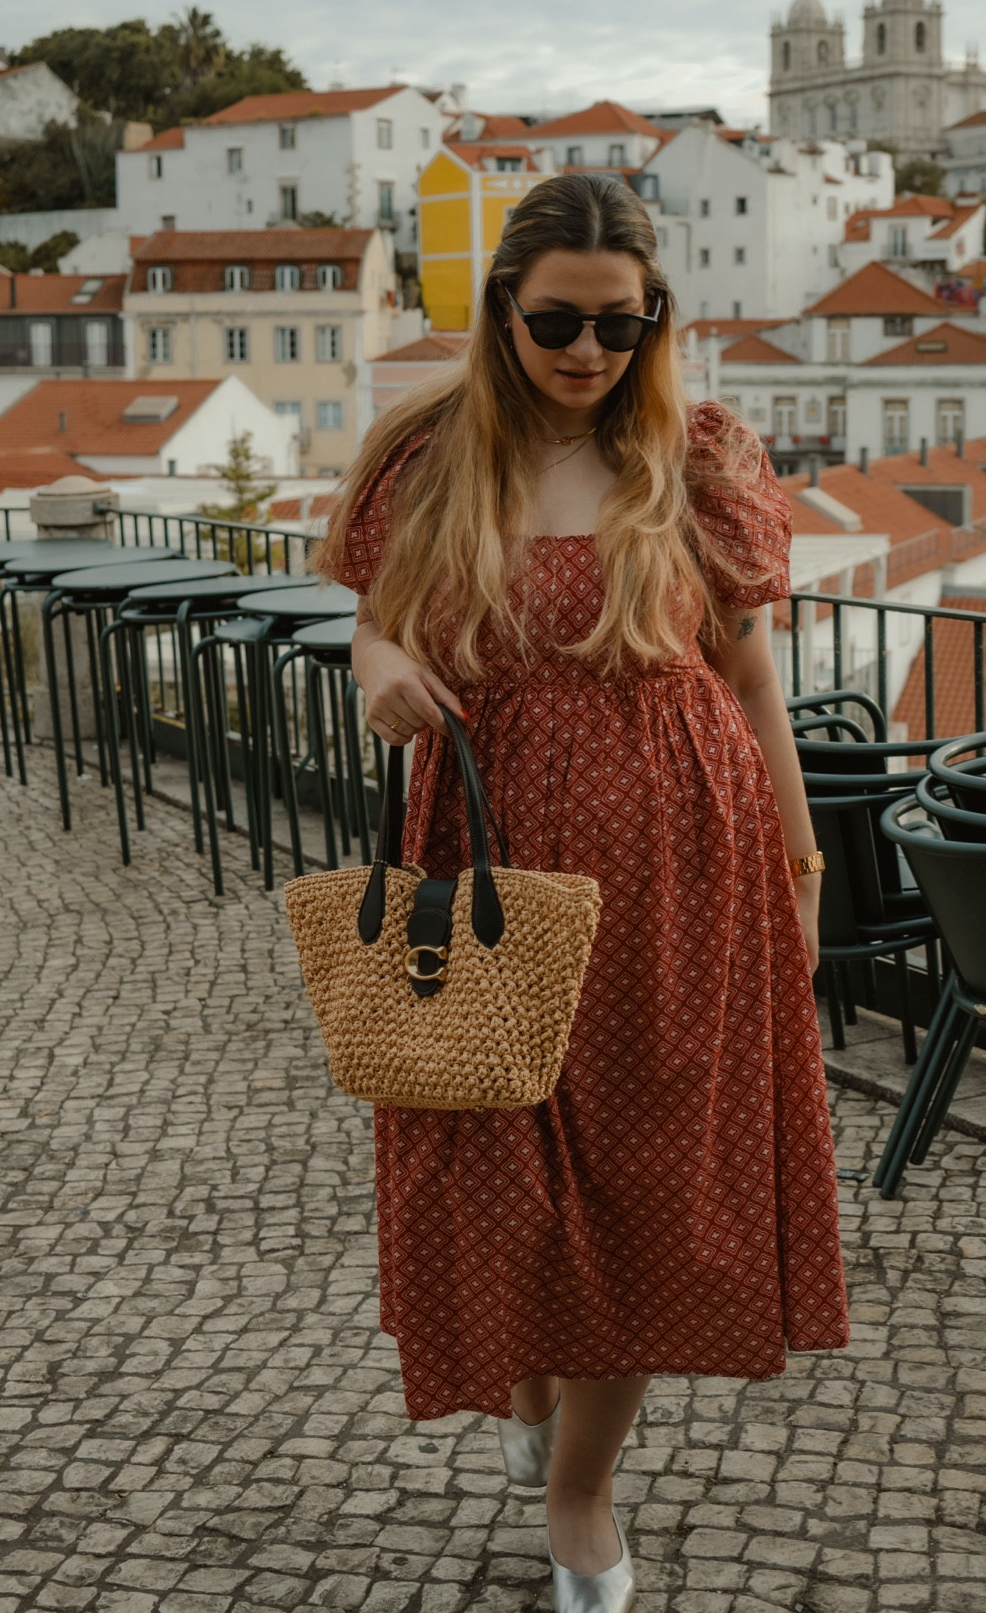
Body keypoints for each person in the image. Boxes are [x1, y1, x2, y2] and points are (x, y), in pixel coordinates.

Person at [320, 172, 848, 1612]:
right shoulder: (425, 457)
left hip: (682, 871)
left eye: (623, 324)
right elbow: (371, 632)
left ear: (652, 322)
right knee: (494, 1177)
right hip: (483, 860)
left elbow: (748, 679)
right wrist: (381, 675)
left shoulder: (698, 457)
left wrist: (800, 872)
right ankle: (531, 1385)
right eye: (556, 319)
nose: (588, 351)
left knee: (646, 1191)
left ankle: (580, 1493)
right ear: (500, 310)